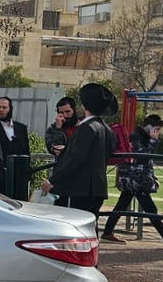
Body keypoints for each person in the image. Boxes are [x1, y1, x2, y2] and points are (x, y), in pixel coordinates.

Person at [100, 115, 163, 246]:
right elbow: (142, 157)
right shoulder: (136, 137)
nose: (157, 132)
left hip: (134, 179)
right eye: (156, 129)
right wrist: (153, 141)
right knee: (150, 209)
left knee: (122, 206)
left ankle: (107, 233)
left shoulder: (139, 136)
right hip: (136, 180)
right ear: (150, 127)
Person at [42, 83, 116, 216]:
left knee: (76, 226)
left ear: (83, 106)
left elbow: (76, 159)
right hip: (97, 188)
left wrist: (52, 180)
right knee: (90, 227)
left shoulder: (86, 128)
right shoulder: (106, 128)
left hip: (81, 189)